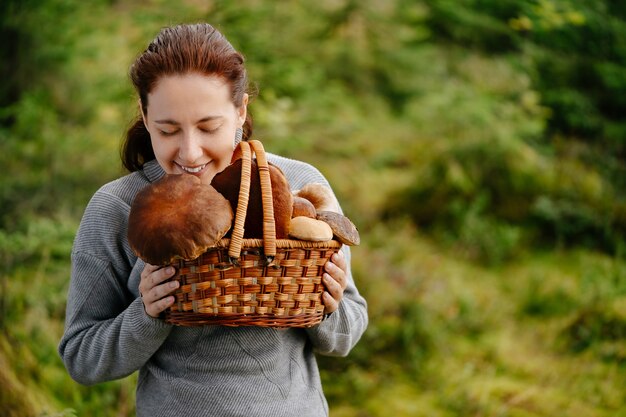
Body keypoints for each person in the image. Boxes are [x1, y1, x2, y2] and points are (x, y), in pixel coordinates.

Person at [58, 23, 368, 417]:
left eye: (208, 127)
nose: (189, 153)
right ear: (144, 113)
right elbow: (81, 356)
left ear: (240, 111)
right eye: (168, 130)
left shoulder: (298, 186)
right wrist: (147, 313)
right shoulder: (117, 208)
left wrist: (329, 304)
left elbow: (347, 334)